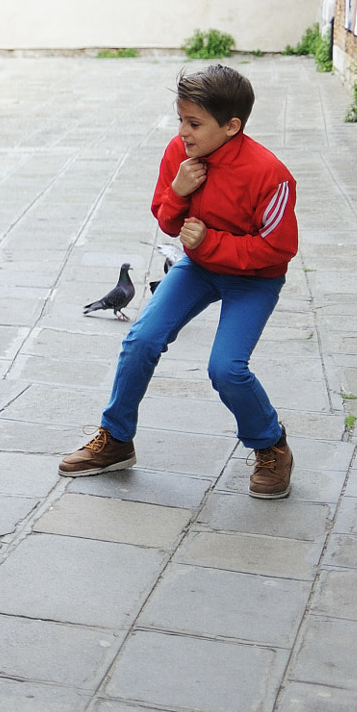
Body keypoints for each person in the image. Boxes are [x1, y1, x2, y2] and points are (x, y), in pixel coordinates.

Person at [60, 64, 298, 497]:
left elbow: (278, 249)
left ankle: (271, 445)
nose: (183, 132)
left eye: (194, 123)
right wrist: (179, 189)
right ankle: (116, 439)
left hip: (254, 279)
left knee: (226, 369)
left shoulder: (271, 175)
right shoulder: (179, 155)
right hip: (199, 268)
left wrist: (211, 242)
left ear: (231, 126)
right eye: (180, 120)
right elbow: (167, 221)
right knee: (140, 340)